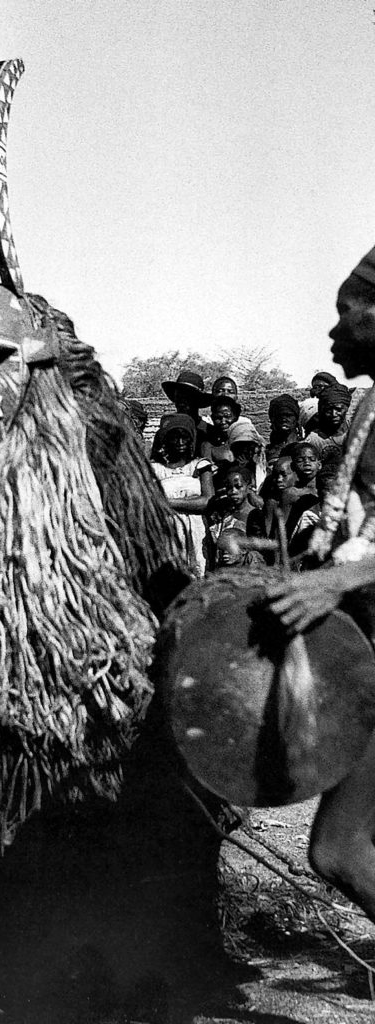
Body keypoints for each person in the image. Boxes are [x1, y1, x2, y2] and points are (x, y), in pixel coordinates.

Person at [265, 241, 375, 925]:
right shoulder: (367, 410)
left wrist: (337, 584)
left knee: (338, 849)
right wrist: (307, 545)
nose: (334, 332)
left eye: (347, 313)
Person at [151, 413, 214, 577]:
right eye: (175, 437)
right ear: (166, 440)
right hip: (167, 529)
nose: (180, 443)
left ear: (191, 439)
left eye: (184, 437)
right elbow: (151, 502)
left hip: (197, 529)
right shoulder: (155, 469)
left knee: (199, 572)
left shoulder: (200, 466)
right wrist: (191, 501)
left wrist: (167, 502)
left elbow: (207, 500)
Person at [161, 370, 211, 456]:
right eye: (178, 397)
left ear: (197, 400)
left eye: (188, 398)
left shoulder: (209, 431)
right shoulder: (167, 430)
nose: (182, 402)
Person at [303, 382, 351, 464]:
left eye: (338, 409)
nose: (333, 414)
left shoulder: (358, 430)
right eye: (328, 410)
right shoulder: (314, 440)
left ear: (346, 408)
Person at [265, 393, 301, 467]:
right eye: (280, 416)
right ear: (273, 419)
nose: (284, 419)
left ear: (296, 419)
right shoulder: (265, 451)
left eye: (288, 415)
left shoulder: (305, 446)